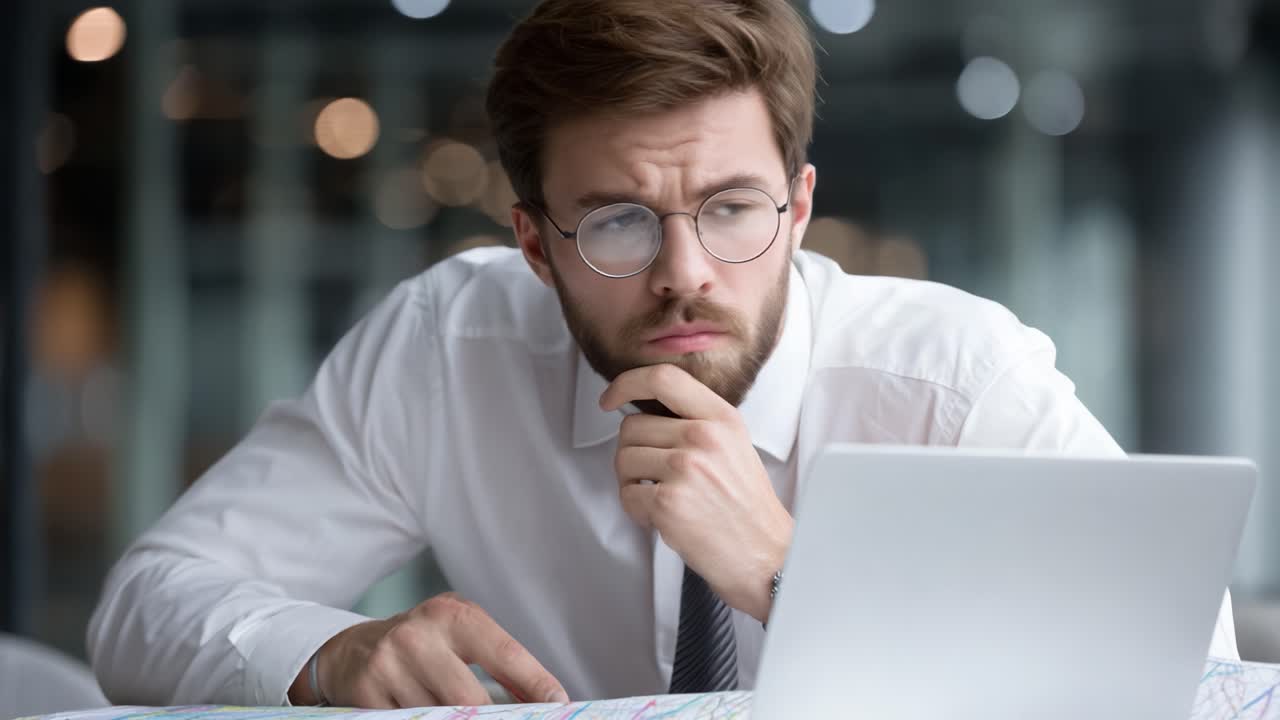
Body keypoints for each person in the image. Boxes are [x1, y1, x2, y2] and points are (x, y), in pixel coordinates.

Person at [88, 0, 1240, 709]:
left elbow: (1196, 685)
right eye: (619, 222)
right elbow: (143, 607)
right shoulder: (450, 346)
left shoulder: (955, 380)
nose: (684, 272)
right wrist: (328, 653)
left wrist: (793, 580)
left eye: (731, 210)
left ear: (796, 208)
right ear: (534, 243)